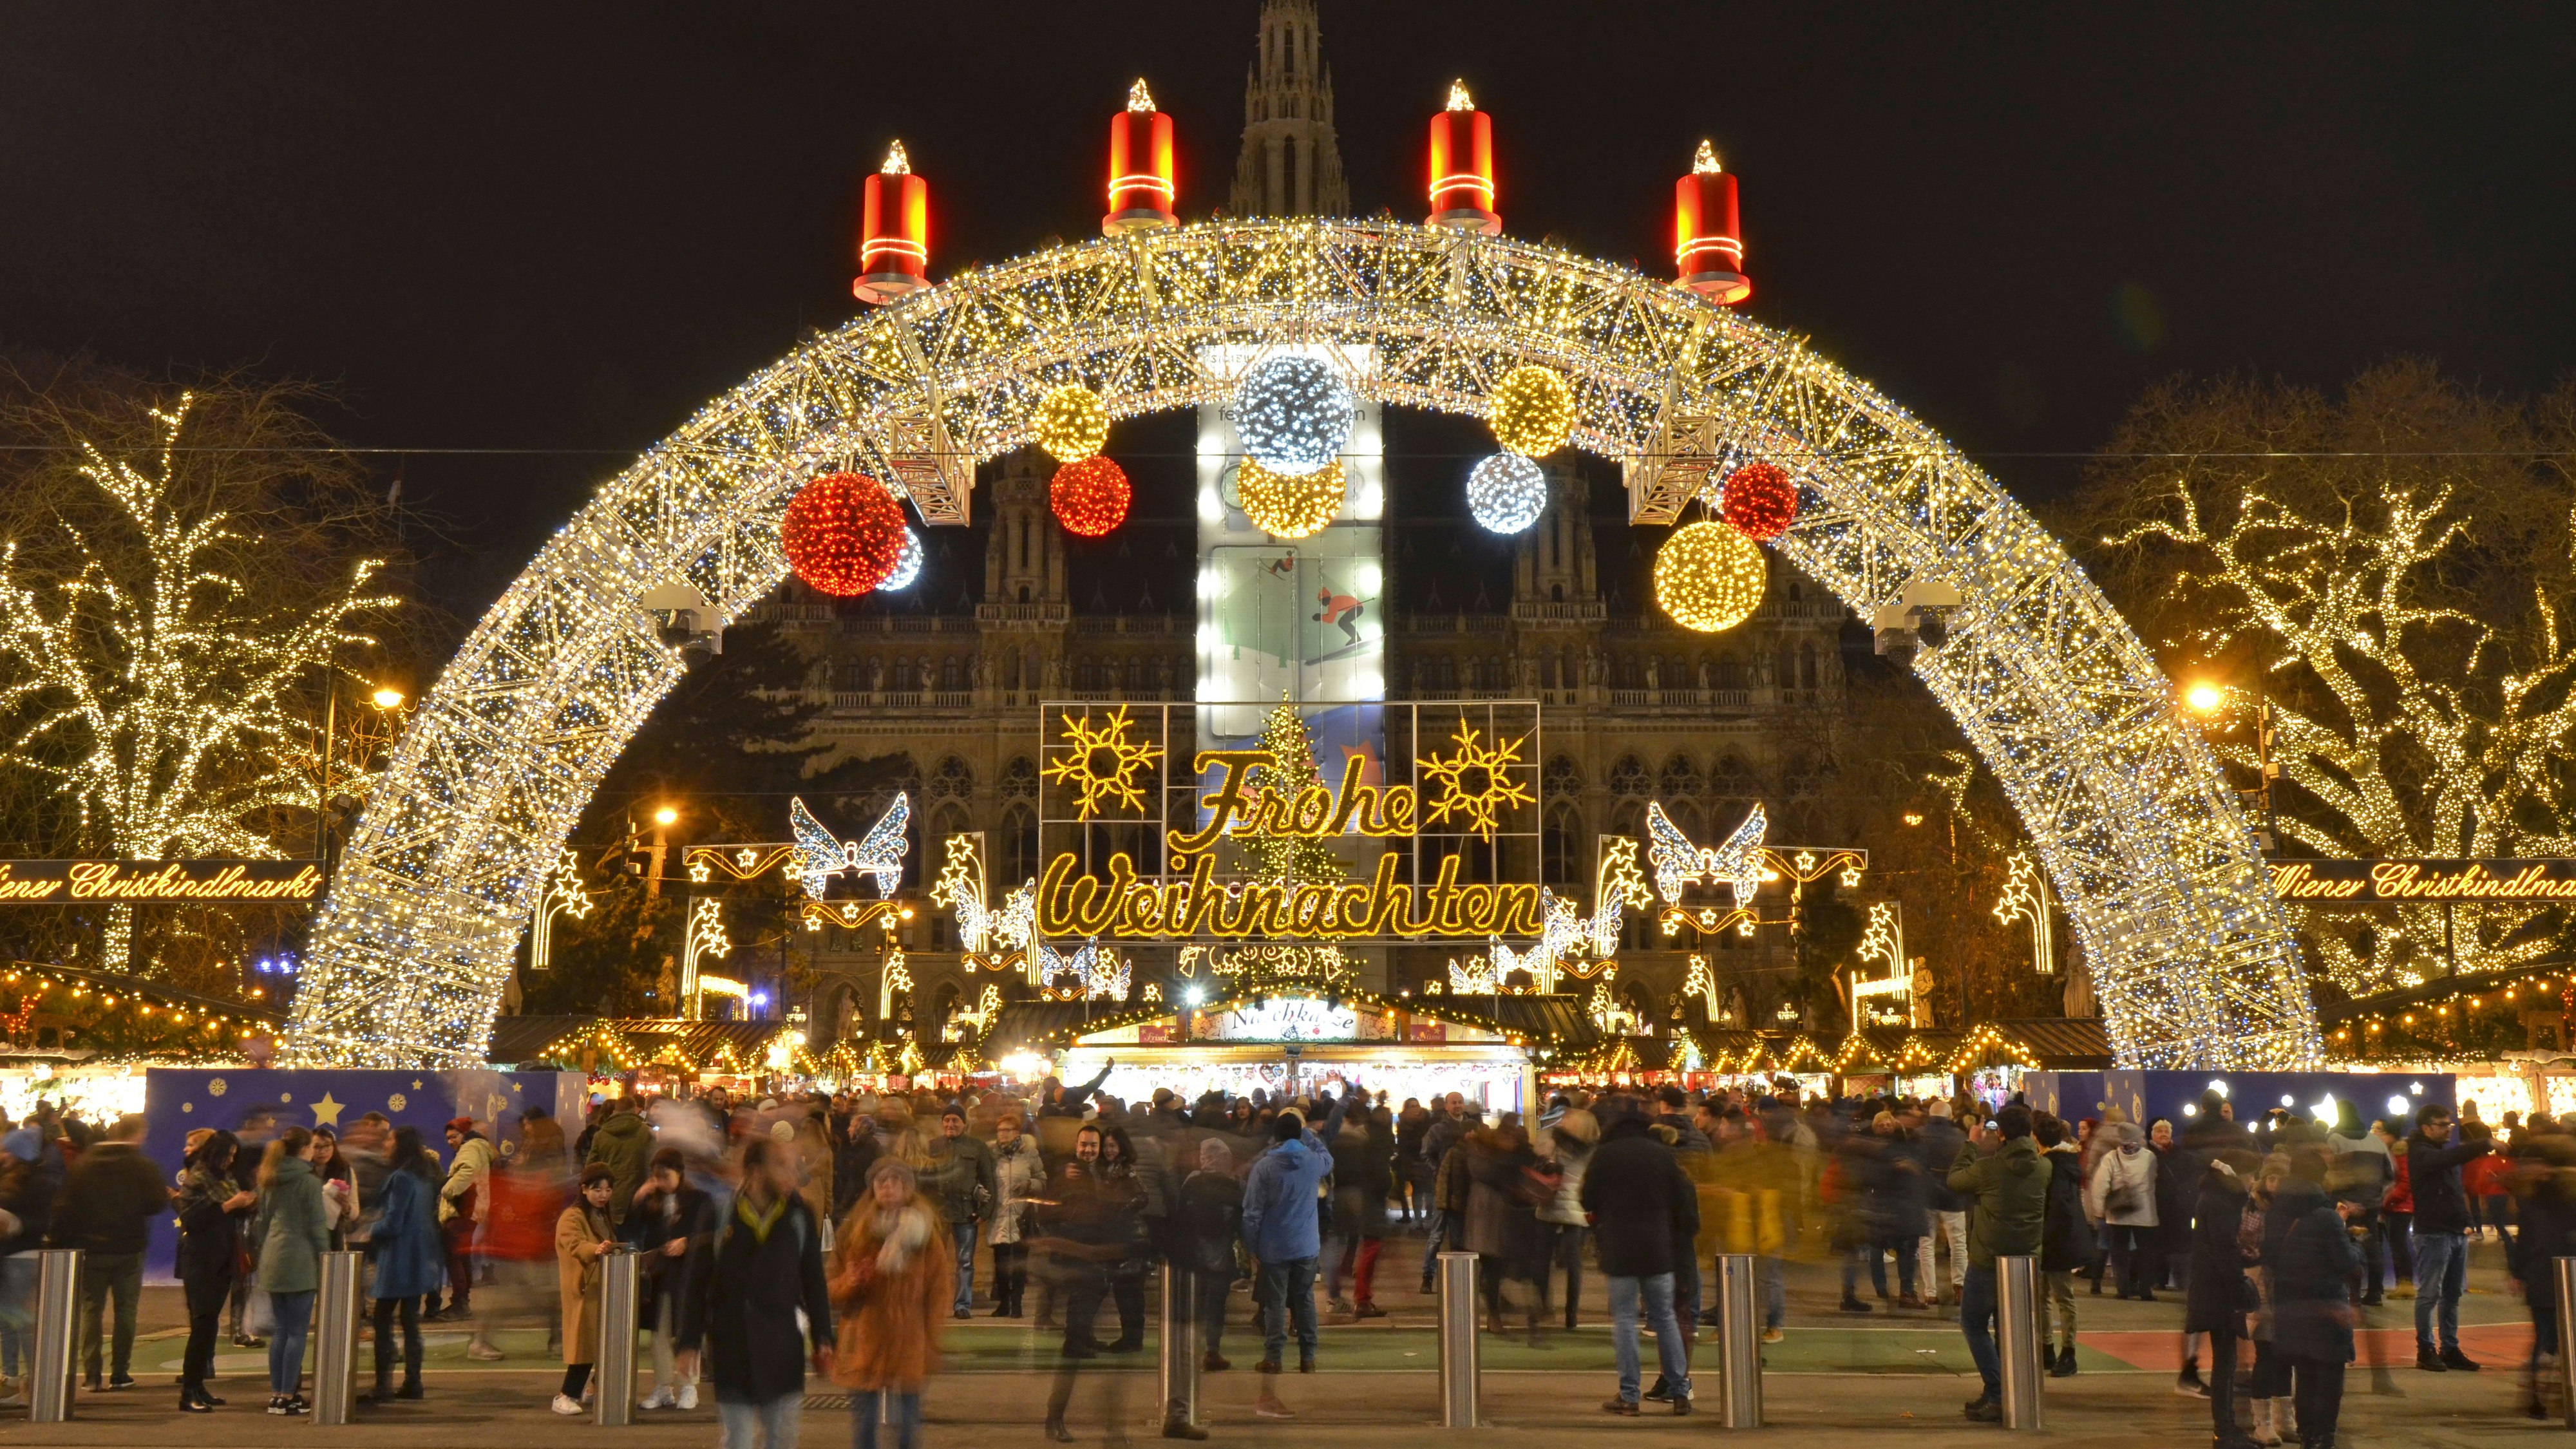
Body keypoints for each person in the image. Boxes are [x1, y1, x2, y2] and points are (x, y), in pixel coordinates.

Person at [705, 1135, 836, 1449]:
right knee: (737, 1439)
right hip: (732, 1345)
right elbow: (698, 1280)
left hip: (783, 1348)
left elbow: (813, 1280)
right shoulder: (721, 1214)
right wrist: (687, 1342)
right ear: (756, 1172)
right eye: (782, 1167)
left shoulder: (798, 1216)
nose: (792, 1176)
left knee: (782, 1439)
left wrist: (823, 1339)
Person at [1240, 1085, 1356, 1415]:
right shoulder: (1311, 1162)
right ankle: (1308, 1357)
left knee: (1275, 1303)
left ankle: (1274, 1357)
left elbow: (1251, 1213)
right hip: (1306, 1243)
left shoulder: (1264, 1167)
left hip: (1273, 1245)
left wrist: (1252, 1246)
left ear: (1275, 1136)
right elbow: (1328, 1159)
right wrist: (1308, 1135)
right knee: (1304, 1299)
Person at [1582, 1097, 1697, 1416]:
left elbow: (1586, 1198)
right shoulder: (1662, 1155)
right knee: (1665, 1319)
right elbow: (1678, 1201)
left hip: (1619, 1246)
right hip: (1658, 1246)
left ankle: (1629, 1396)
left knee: (1624, 1320)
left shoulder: (1605, 1155)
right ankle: (1679, 1392)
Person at [829, 1159, 952, 1449]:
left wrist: (930, 1336)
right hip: (864, 1340)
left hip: (909, 1341)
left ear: (909, 1189)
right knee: (864, 1427)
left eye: (897, 1181)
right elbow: (830, 1288)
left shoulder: (926, 1238)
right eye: (881, 1182)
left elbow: (939, 1291)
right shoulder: (855, 1234)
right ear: (872, 1189)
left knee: (909, 1427)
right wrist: (851, 1281)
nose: (888, 1187)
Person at [46, 1112, 166, 1394]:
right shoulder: (142, 1166)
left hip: (92, 1248)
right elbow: (156, 1203)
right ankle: (121, 1372)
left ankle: (92, 1375)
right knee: (126, 1311)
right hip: (129, 1247)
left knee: (91, 1309)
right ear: (136, 1134)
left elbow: (66, 1205)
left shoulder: (83, 1164)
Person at [1947, 1104, 2047, 1423]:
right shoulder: (2045, 1167)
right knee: (2010, 1329)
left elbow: (1955, 1181)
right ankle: (2003, 1393)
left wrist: (1971, 1143)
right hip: (2026, 1258)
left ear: (2000, 1132)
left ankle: (1998, 1389)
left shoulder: (1988, 1168)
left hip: (1988, 1259)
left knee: (1974, 1324)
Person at [2269, 1153, 2362, 1449]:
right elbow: (2345, 1262)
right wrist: (2355, 1240)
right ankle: (2322, 1438)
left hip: (2289, 1304)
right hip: (2325, 1307)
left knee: (2305, 1374)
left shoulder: (2276, 1212)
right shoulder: (2326, 1217)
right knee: (2328, 1379)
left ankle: (2308, 1433)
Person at [250, 1126, 331, 1416]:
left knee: (281, 1331)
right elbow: (316, 1226)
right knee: (298, 1332)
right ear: (304, 1150)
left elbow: (262, 1223)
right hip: (300, 1259)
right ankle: (288, 1394)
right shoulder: (308, 1182)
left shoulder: (268, 1178)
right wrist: (328, 1257)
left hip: (273, 1256)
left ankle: (276, 1395)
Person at [173, 1130, 254, 1413]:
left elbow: (228, 1214)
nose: (231, 1161)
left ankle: (199, 1387)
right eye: (227, 1156)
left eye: (234, 1157)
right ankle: (188, 1392)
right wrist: (232, 1204)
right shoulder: (198, 1178)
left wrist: (246, 1203)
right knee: (202, 1324)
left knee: (208, 1326)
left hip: (223, 1257)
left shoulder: (226, 1178)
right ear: (215, 1153)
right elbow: (192, 1219)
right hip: (201, 1259)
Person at [2405, 1100, 2490, 1371]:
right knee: (2430, 1293)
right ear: (2426, 1127)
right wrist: (2483, 1144)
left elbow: (2454, 1189)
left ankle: (2450, 1348)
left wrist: (2466, 1221)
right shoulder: (2420, 1153)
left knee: (2452, 1294)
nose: (2448, 1130)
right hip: (2433, 1233)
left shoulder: (2439, 1152)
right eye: (2443, 1125)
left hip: (2454, 1232)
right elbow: (2447, 1160)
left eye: (2450, 1124)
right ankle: (2426, 1349)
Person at [631, 1146, 715, 1410]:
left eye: (666, 1176)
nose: (661, 1182)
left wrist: (687, 1242)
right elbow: (632, 1227)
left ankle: (689, 1387)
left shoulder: (700, 1200)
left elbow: (714, 1234)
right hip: (660, 1276)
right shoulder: (652, 1201)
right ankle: (662, 1387)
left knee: (686, 1330)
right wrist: (638, 1198)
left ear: (680, 1173)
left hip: (689, 1276)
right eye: (657, 1177)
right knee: (660, 1333)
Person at [2186, 1152, 2259, 1448]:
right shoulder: (2221, 1202)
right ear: (2238, 1175)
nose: (2254, 1182)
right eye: (2252, 1175)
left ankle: (2227, 1430)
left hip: (2212, 1286)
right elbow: (2224, 1249)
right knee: (2225, 1365)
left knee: (2226, 1363)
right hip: (2219, 1291)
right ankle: (2225, 1432)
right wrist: (2240, 1286)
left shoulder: (2214, 1196)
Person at [368, 1126, 446, 1403]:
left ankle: (383, 1386)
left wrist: (368, 1231)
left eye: (390, 1139)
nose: (385, 1143)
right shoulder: (424, 1176)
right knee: (411, 1322)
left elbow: (393, 1222)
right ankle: (413, 1381)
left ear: (401, 1145)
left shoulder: (401, 1178)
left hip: (398, 1258)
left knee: (382, 1320)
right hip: (419, 1256)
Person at [1172, 1137, 1244, 1387]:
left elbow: (1180, 1217)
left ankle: (1187, 1351)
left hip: (1195, 1255)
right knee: (1216, 1305)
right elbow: (1241, 1219)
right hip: (1222, 1254)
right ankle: (1212, 1350)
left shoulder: (1192, 1181)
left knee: (1194, 1305)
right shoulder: (1234, 1184)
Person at [551, 1163, 616, 1416]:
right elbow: (575, 1244)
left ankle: (592, 1390)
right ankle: (565, 1396)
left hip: (601, 1288)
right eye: (598, 1190)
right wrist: (596, 1250)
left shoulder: (602, 1215)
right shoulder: (572, 1216)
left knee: (603, 1344)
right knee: (585, 1347)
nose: (603, 1195)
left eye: (608, 1190)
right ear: (584, 1189)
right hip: (583, 1290)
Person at [927, 1105, 996, 1320]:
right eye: (947, 1120)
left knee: (965, 1262)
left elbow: (989, 1181)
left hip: (966, 1213)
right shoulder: (932, 1146)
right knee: (933, 1262)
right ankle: (932, 1304)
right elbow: (923, 1180)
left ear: (964, 1124)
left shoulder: (977, 1148)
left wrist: (984, 1211)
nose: (950, 1124)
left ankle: (962, 1305)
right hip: (938, 1214)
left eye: (955, 1120)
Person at [1325, 1108, 1392, 1319]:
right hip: (1366, 1200)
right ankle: (1360, 1299)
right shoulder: (1368, 1142)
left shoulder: (1339, 1141)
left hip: (1345, 1198)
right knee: (1369, 1246)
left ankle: (1338, 1294)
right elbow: (1379, 1175)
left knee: (1341, 1246)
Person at [2035, 1115, 2088, 1378]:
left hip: (2054, 1239)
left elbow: (2058, 1208)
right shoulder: (2065, 1162)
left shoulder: (2051, 1166)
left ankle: (2066, 1353)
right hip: (2058, 1238)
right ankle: (2050, 1349)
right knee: (2050, 1296)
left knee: (2058, 1297)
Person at [1538, 1108, 1597, 1329]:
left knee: (1543, 1261)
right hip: (1576, 1207)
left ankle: (1545, 1308)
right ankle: (1571, 1315)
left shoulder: (1554, 1140)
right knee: (1574, 1264)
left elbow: (1542, 1160)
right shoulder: (1592, 1148)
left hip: (1551, 1202)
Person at [2092, 1121, 2161, 1301]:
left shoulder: (2111, 1157)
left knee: (2119, 1253)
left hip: (2118, 1214)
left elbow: (2100, 1185)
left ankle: (2122, 1290)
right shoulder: (2149, 1157)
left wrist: (2100, 1209)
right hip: (2145, 1212)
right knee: (2146, 1252)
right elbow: (2154, 1179)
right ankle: (2146, 1290)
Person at [987, 1110, 1043, 1319]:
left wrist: (1030, 1184)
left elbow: (1042, 1179)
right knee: (1001, 1264)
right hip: (1000, 1215)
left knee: (1019, 1263)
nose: (1002, 1134)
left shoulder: (1030, 1154)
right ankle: (1004, 1303)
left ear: (1017, 1132)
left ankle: (1017, 1303)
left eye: (1007, 1130)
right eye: (1000, 1130)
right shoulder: (991, 1154)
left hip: (1022, 1217)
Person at [437, 1116, 493, 1321]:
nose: (450, 1141)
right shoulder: (477, 1147)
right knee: (462, 1255)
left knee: (454, 1256)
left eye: (454, 1137)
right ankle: (463, 1301)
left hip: (464, 1209)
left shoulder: (470, 1148)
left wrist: (447, 1190)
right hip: (472, 1210)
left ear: (465, 1134)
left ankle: (460, 1303)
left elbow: (467, 1171)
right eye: (448, 1138)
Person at [1918, 1101, 1969, 1308]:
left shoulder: (1919, 1134)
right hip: (1953, 1195)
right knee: (1958, 1244)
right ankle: (1960, 1287)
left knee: (1926, 1243)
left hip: (1927, 1196)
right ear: (1950, 1116)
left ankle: (1930, 1292)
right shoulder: (1959, 1137)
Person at [584, 1096, 653, 1229]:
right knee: (636, 1241)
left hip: (608, 1198)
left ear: (615, 1111)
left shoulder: (601, 1135)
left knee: (610, 1242)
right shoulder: (646, 1133)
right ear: (635, 1111)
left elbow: (591, 1167)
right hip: (638, 1197)